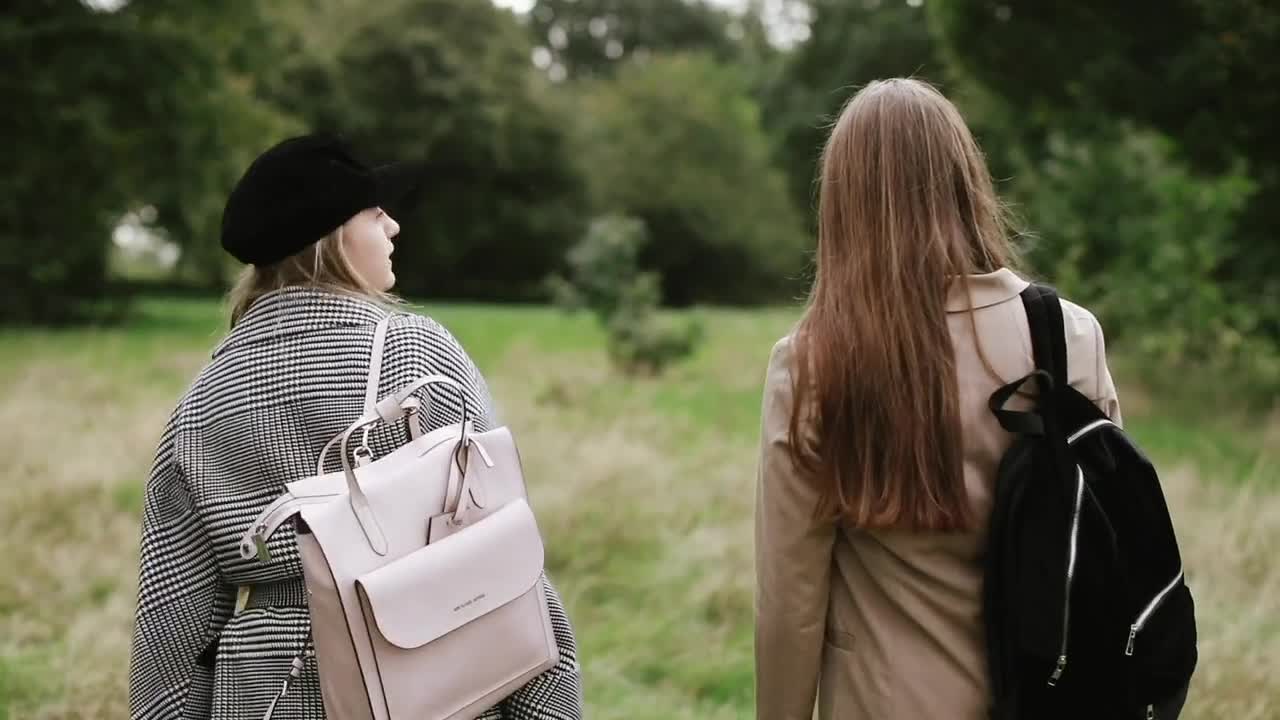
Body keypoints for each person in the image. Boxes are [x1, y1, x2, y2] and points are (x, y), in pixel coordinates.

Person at [127, 134, 584, 719]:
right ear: (333, 238)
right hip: (426, 677)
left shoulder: (201, 399)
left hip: (263, 696)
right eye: (375, 214)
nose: (393, 226)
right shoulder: (414, 355)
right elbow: (500, 561)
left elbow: (170, 628)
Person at [753, 78, 1122, 720]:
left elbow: (791, 600)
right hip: (1050, 698)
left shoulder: (813, 361)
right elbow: (1109, 540)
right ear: (965, 183)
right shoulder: (1068, 335)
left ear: (844, 204)